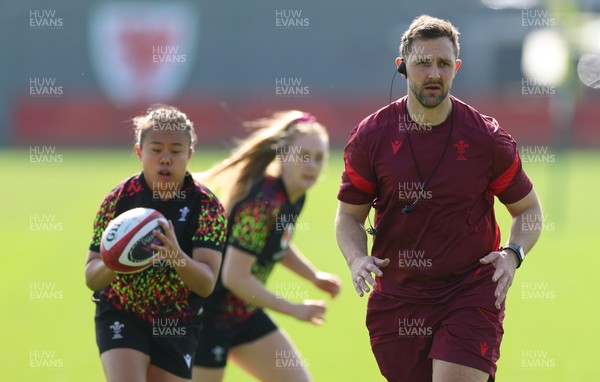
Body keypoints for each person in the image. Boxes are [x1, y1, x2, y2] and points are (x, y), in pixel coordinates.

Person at [335, 15, 542, 382]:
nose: (434, 73)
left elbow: (528, 210)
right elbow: (349, 216)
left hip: (470, 292)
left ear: (456, 68)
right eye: (423, 63)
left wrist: (513, 255)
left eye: (444, 64)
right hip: (397, 300)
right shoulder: (371, 137)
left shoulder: (486, 139)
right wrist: (355, 259)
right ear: (402, 67)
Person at [191, 110, 341, 382]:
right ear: (283, 155)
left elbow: (275, 245)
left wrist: (313, 276)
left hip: (243, 314)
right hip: (208, 317)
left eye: (319, 158)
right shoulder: (264, 202)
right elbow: (234, 276)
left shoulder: (293, 195)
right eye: (303, 156)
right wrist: (294, 308)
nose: (312, 165)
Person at [85, 105, 227, 382]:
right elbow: (91, 277)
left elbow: (206, 283)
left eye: (175, 151)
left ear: (189, 155)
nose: (165, 159)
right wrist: (118, 260)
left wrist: (176, 256)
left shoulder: (207, 207)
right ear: (139, 152)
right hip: (121, 311)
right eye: (156, 150)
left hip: (177, 320)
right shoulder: (118, 200)